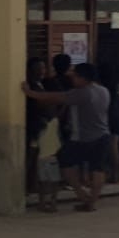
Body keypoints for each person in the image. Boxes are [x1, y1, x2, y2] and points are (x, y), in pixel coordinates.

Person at [23, 62, 111, 212]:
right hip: (102, 135)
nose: (72, 79)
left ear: (83, 78)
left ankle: (81, 194)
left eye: (75, 76)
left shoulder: (82, 92)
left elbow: (55, 97)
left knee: (65, 163)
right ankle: (92, 201)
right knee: (98, 169)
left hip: (81, 137)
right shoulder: (103, 91)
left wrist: (31, 93)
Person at [27, 58, 62, 213]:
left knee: (48, 172)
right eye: (38, 68)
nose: (42, 71)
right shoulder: (33, 87)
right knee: (38, 166)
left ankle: (49, 200)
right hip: (39, 129)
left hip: (48, 134)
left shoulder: (43, 85)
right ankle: (36, 191)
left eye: (43, 67)